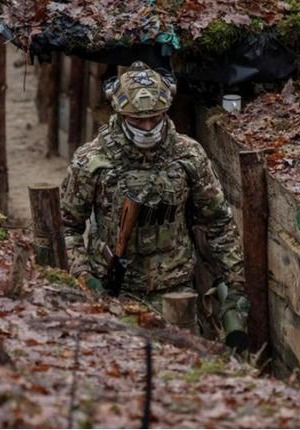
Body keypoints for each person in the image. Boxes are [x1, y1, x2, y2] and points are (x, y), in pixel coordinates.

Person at [60, 61, 249, 350]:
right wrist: (85, 278)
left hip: (176, 292)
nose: (147, 127)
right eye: (137, 120)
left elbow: (219, 222)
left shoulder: (189, 155)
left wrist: (235, 283)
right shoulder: (92, 161)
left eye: (154, 118)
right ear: (120, 114)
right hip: (114, 292)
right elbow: (67, 226)